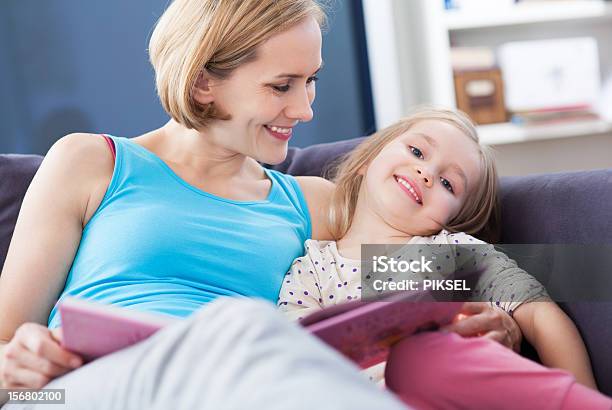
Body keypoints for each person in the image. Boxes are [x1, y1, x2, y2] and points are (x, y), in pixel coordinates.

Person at [0, 0, 520, 408]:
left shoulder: (317, 205)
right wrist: (22, 371)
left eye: (311, 80)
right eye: (281, 86)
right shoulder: (92, 162)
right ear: (204, 81)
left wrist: (508, 321)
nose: (305, 109)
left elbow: (471, 259)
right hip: (81, 391)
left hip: (251, 389)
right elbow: (7, 357)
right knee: (247, 326)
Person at [278, 107, 612, 408]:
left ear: (451, 218)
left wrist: (585, 394)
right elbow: (294, 351)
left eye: (448, 184)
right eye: (417, 151)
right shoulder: (313, 267)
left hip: (458, 391)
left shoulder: (455, 251)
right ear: (368, 159)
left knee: (419, 358)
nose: (426, 173)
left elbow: (541, 317)